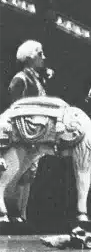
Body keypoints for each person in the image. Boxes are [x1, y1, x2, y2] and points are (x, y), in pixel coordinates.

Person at [6, 40, 48, 222]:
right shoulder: (20, 79)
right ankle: (9, 213)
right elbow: (15, 108)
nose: (43, 57)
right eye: (40, 54)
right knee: (15, 173)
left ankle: (22, 216)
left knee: (28, 176)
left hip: (35, 136)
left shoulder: (36, 79)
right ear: (30, 57)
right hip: (22, 135)